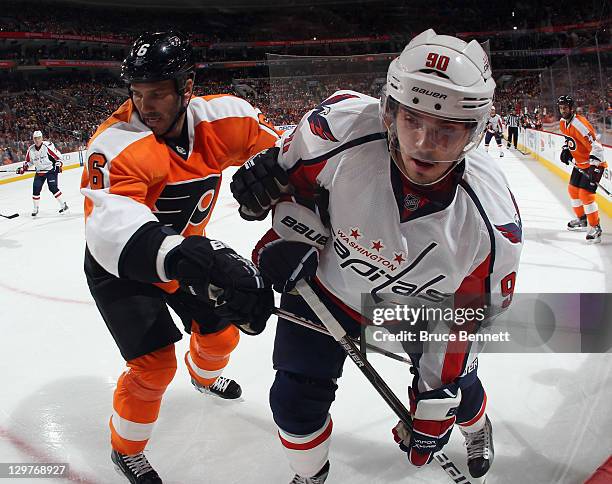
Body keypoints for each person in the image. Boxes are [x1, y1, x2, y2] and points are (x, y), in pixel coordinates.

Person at [231, 29, 523, 483]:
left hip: (419, 310)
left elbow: (462, 322)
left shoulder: (491, 225)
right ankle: (309, 475)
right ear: (388, 110)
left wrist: (435, 400)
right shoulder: (336, 132)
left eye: (446, 131)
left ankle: (475, 425)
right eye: (413, 121)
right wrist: (274, 225)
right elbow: (288, 193)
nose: (424, 144)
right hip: (326, 289)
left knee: (457, 392)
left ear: (474, 131)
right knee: (293, 401)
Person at [81, 31, 277, 483]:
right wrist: (193, 257)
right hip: (122, 264)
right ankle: (125, 449)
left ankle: (203, 377)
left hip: (185, 256)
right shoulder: (116, 142)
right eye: (137, 94)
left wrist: (276, 183)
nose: (145, 106)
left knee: (222, 335)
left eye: (157, 94)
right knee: (153, 366)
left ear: (186, 89)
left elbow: (284, 156)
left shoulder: (225, 118)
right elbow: (111, 225)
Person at [558, 95, 606, 243]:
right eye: (560, 108)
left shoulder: (580, 124)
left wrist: (594, 167)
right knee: (573, 190)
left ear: (572, 108)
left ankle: (595, 226)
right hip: (580, 163)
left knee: (585, 195)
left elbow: (596, 146)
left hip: (594, 164)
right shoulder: (562, 122)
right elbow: (569, 139)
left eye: (565, 107)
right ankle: (582, 219)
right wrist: (566, 149)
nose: (563, 110)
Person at [16, 130, 68, 216]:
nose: (37, 140)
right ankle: (35, 208)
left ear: (42, 138)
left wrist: (59, 165)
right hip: (40, 172)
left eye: (39, 138)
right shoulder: (31, 150)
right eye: (35, 138)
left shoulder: (47, 146)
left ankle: (64, 205)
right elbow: (29, 162)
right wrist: (23, 168)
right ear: (33, 139)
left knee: (53, 187)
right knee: (36, 188)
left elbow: (58, 157)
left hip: (50, 170)